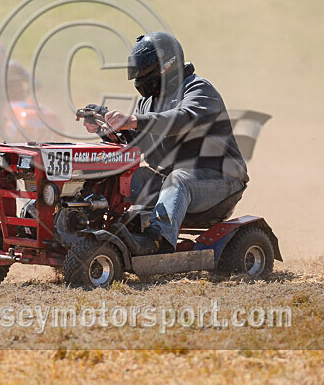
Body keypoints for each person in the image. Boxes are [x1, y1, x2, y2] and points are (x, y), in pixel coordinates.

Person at [81, 32, 249, 254]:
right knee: (125, 178)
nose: (139, 81)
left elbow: (184, 119)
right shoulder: (147, 103)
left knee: (178, 180)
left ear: (167, 66)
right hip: (172, 179)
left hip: (219, 180)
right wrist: (106, 130)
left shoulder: (198, 89)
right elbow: (138, 145)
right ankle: (85, 229)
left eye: (145, 73)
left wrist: (133, 121)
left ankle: (157, 241)